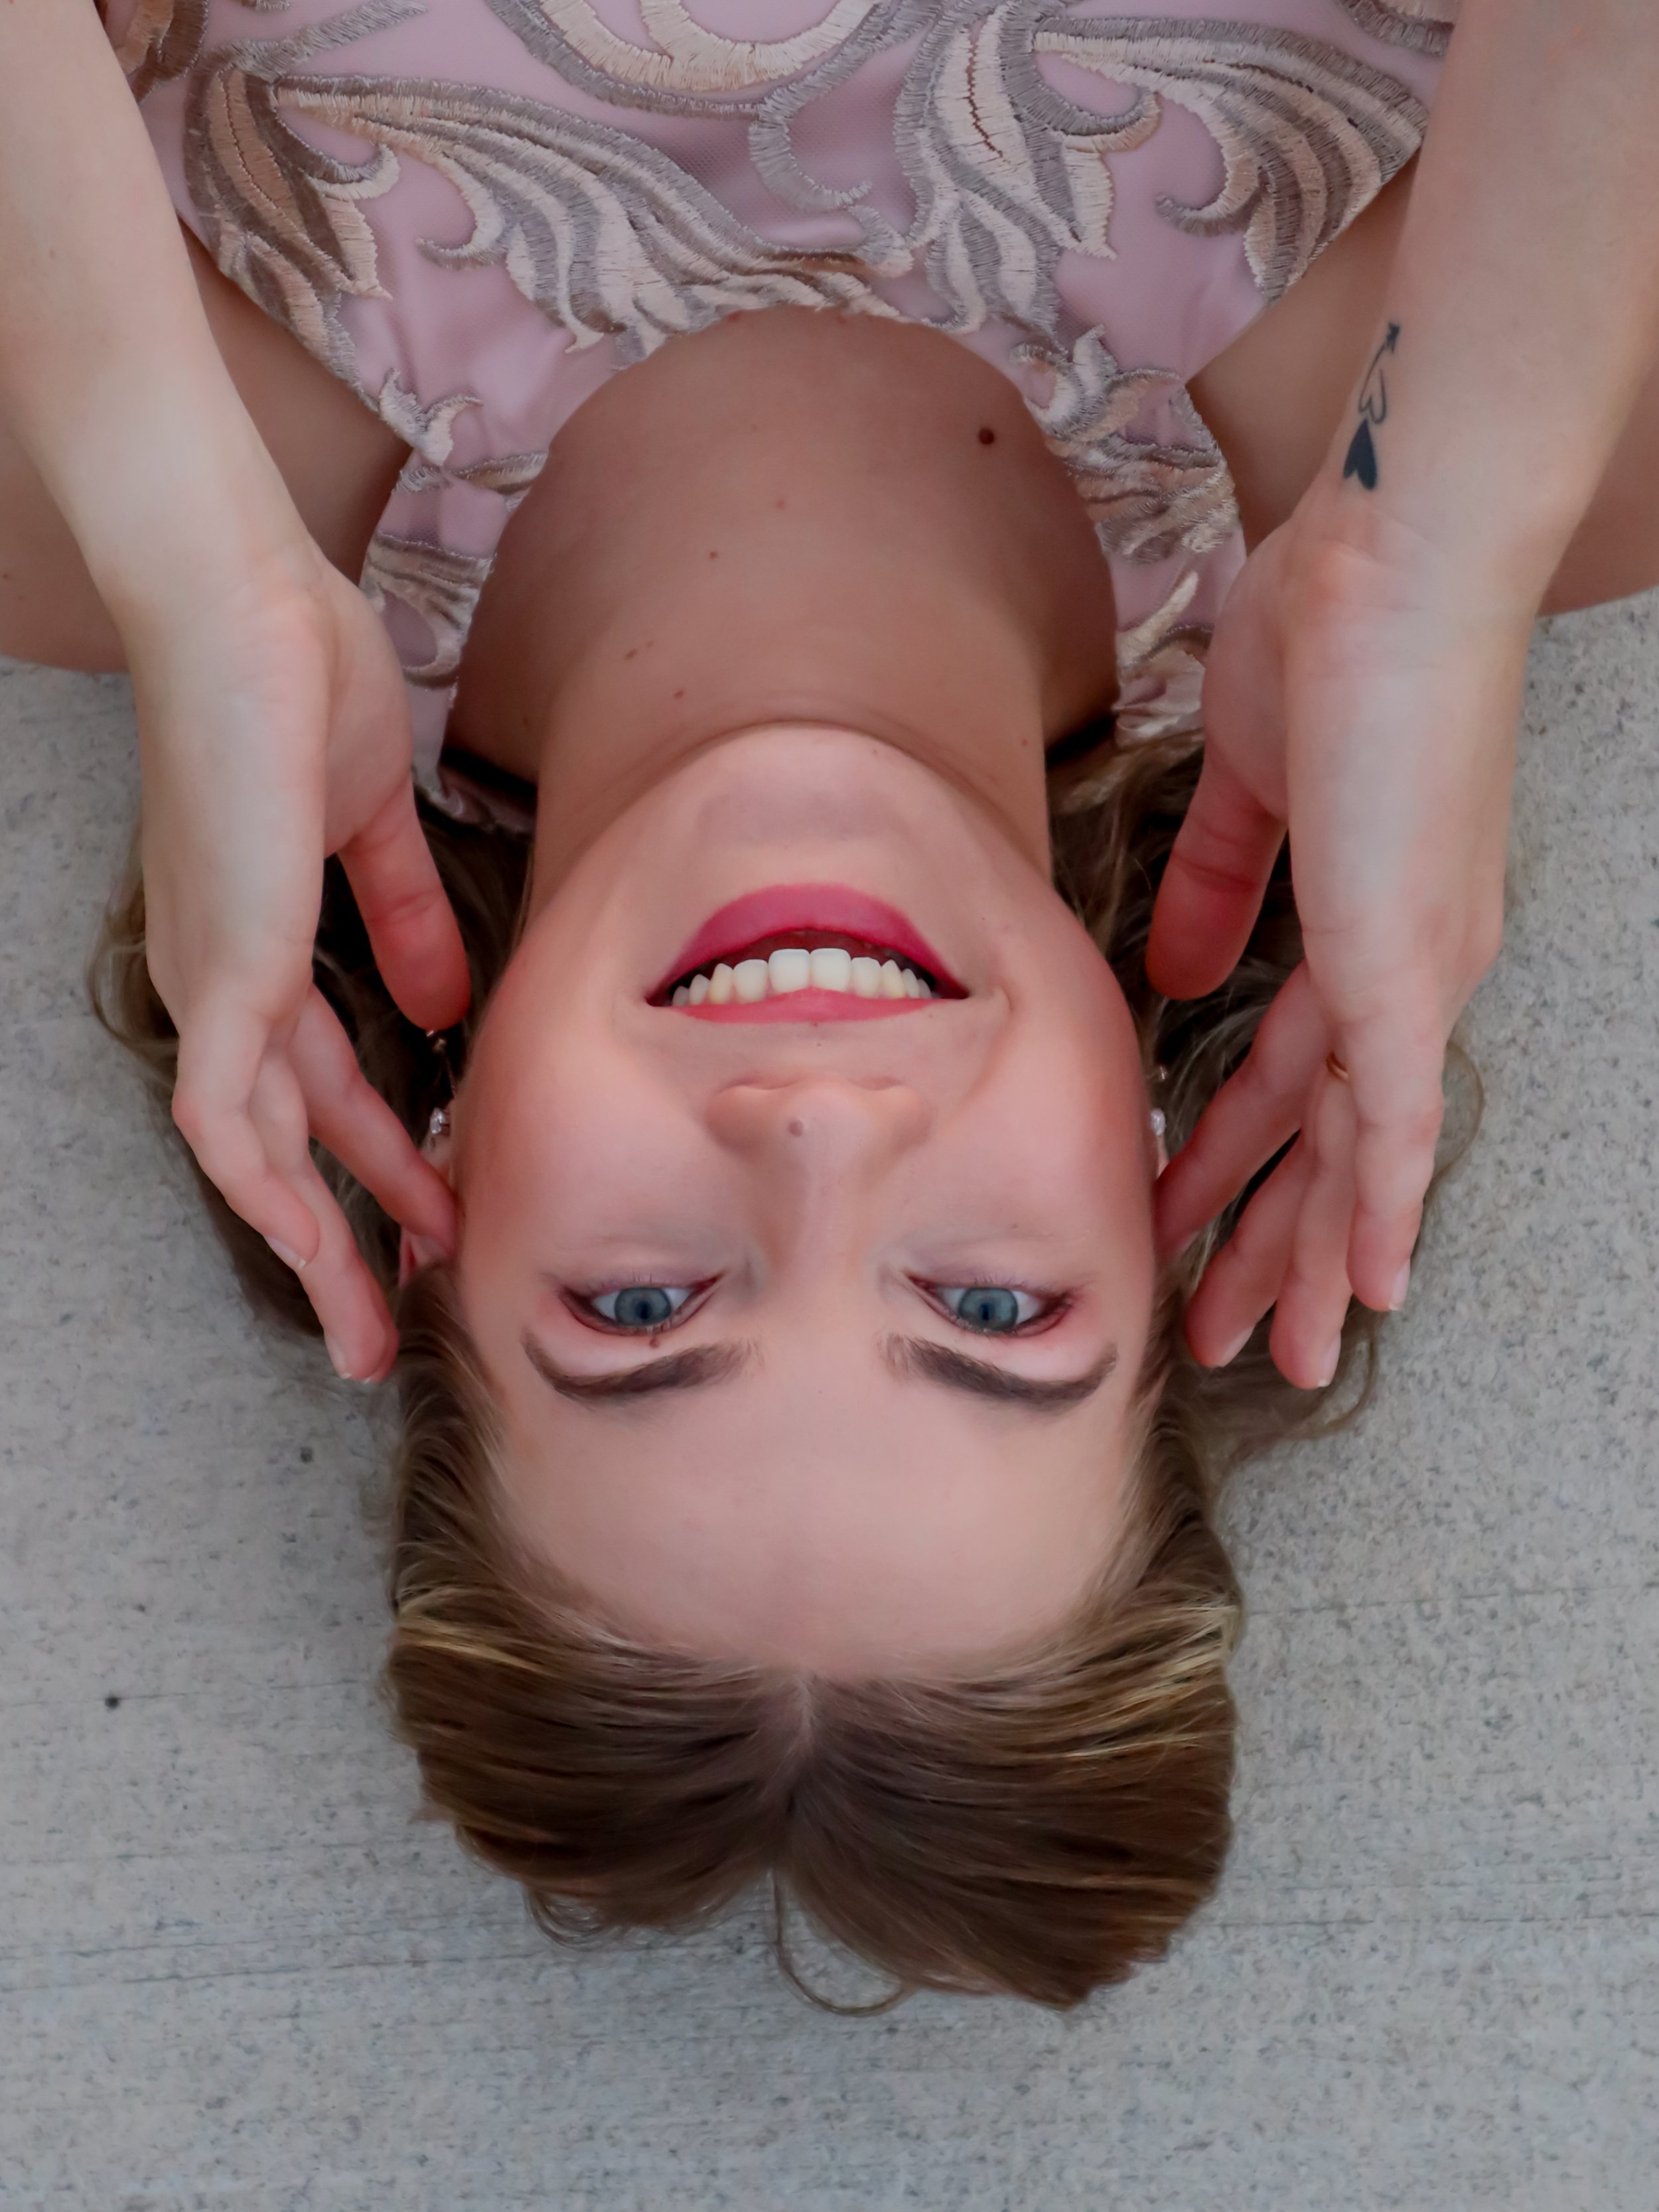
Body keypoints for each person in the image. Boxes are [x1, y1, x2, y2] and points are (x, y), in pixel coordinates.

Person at [3, 0, 1656, 2006]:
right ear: (1156, 1194)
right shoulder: (1530, 413)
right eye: (985, 1308)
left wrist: (177, 537)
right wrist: (1445, 527)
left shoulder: (111, 452)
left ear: (434, 1198)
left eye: (638, 1309)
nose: (809, 1136)